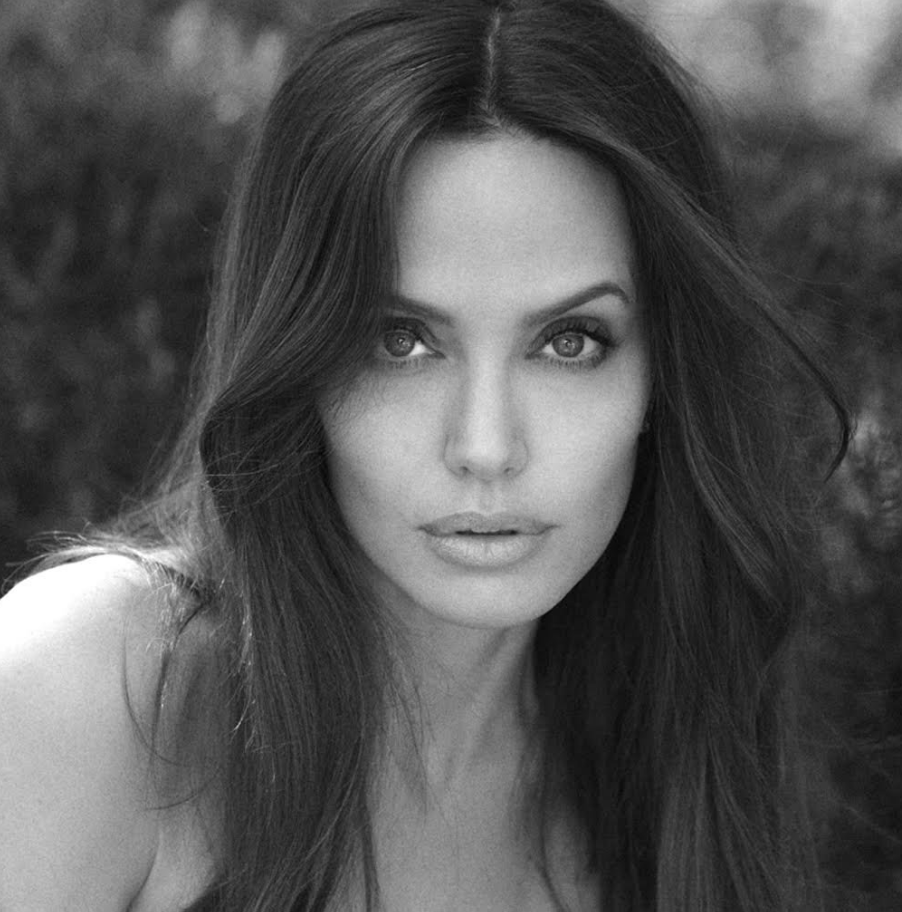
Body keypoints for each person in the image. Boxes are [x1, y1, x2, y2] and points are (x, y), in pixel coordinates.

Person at [0, 1, 849, 910]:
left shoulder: (674, 780)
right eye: (399, 341)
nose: (486, 447)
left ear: (666, 377)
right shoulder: (95, 689)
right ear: (300, 358)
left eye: (569, 342)